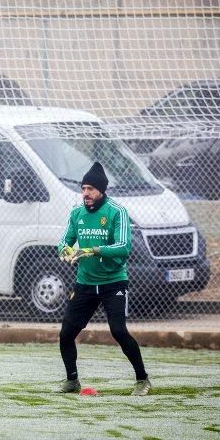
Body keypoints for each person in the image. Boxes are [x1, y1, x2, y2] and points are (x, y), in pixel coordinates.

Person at [56, 162, 151, 396]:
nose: (86, 193)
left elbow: (123, 247)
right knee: (66, 334)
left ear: (101, 190)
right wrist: (65, 251)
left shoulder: (117, 212)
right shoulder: (76, 213)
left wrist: (92, 250)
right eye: (83, 188)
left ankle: (143, 380)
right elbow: (63, 242)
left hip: (113, 283)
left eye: (90, 189)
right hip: (85, 283)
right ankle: (72, 381)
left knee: (119, 331)